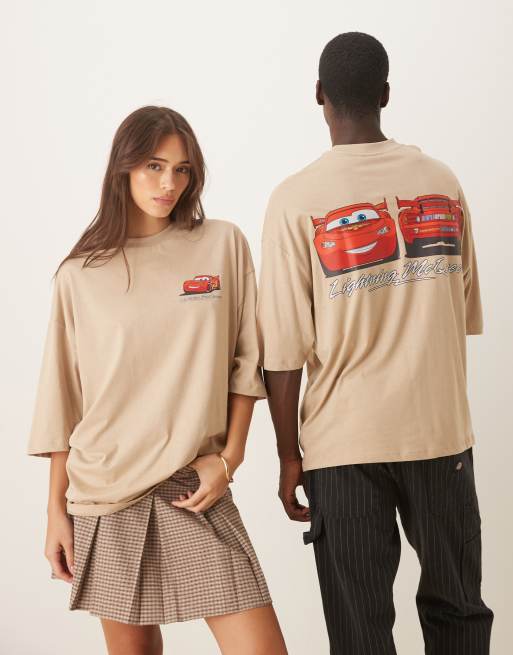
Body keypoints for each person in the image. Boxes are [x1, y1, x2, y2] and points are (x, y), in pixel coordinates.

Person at [256, 32, 493, 654]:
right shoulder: (441, 184)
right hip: (440, 436)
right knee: (459, 610)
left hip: (343, 446)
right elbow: (461, 308)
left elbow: (282, 352)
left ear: (318, 94)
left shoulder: (293, 201)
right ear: (386, 94)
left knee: (359, 631)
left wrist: (287, 455)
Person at [27, 106, 287, 655]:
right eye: (154, 166)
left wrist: (230, 459)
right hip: (105, 493)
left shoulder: (222, 244)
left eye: (182, 169)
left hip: (192, 486)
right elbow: (63, 400)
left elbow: (247, 361)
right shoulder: (80, 274)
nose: (169, 184)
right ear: (123, 167)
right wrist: (54, 512)